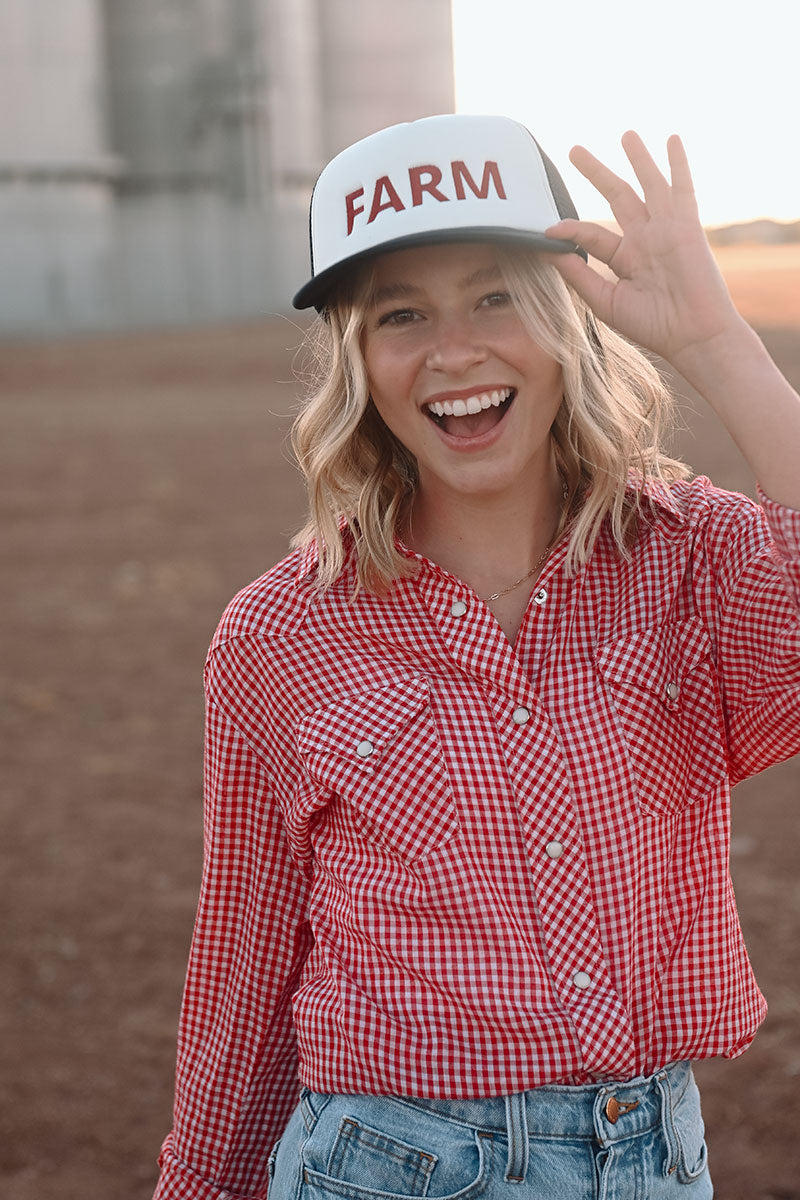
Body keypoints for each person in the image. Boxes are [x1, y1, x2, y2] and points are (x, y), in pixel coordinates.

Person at [153, 114, 800, 1199]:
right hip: (387, 1166)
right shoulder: (279, 637)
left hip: (653, 1158)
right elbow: (244, 965)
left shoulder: (690, 556)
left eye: (494, 295)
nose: (453, 351)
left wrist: (715, 341)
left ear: (566, 318)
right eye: (400, 314)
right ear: (357, 362)